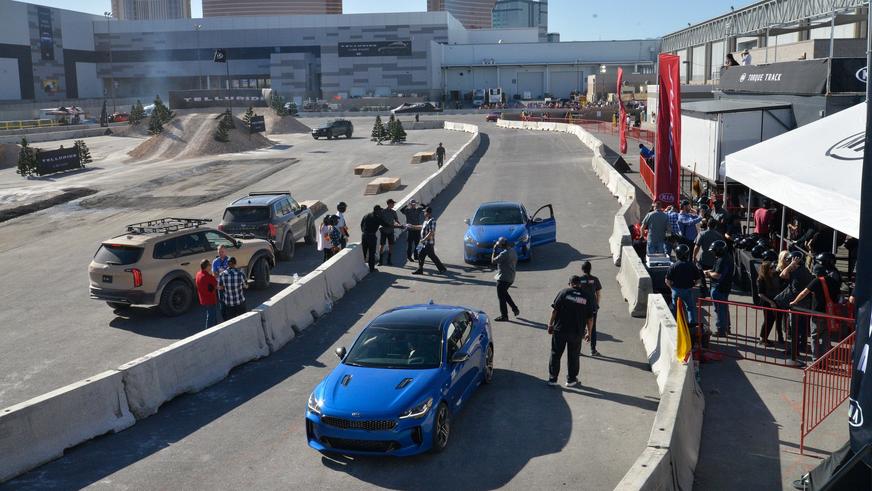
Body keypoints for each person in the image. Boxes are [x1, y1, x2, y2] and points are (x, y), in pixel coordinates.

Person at [547, 275, 595, 387]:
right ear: (580, 284)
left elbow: (554, 311)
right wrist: (589, 332)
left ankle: (553, 379)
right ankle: (571, 380)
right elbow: (590, 318)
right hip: (576, 332)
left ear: (570, 284)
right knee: (573, 355)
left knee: (555, 354)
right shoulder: (586, 296)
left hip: (560, 330)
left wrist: (550, 325)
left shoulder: (563, 293)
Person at [791, 264, 841, 360]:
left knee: (815, 336)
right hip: (829, 313)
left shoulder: (817, 281)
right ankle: (825, 358)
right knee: (826, 336)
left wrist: (794, 302)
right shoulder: (833, 281)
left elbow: (803, 293)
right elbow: (839, 296)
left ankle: (815, 359)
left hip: (817, 313)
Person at [666, 244, 703, 326]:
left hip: (676, 290)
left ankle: (677, 324)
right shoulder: (692, 266)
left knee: (676, 309)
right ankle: (692, 324)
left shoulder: (673, 266)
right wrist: (692, 285)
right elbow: (698, 281)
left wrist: (672, 288)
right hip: (688, 290)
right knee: (690, 308)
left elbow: (667, 281)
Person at [704, 240, 733, 336]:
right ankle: (727, 328)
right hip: (725, 287)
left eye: (714, 251)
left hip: (718, 288)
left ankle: (721, 330)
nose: (713, 252)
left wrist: (708, 273)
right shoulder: (727, 257)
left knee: (719, 309)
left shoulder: (721, 260)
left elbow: (717, 275)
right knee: (724, 308)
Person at [410, 206, 447, 275]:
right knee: (420, 255)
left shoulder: (432, 221)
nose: (423, 213)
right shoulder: (426, 220)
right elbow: (421, 227)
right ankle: (420, 269)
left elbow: (431, 232)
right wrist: (412, 226)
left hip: (428, 243)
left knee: (432, 256)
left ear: (428, 213)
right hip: (423, 242)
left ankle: (442, 269)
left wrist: (423, 240)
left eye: (424, 212)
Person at [360, 205, 397, 272]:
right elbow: (385, 224)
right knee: (372, 253)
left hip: (364, 236)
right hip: (371, 237)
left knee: (364, 252)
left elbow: (361, 224)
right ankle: (372, 268)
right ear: (376, 211)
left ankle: (361, 268)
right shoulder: (377, 218)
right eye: (380, 210)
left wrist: (364, 232)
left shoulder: (366, 215)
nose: (380, 212)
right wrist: (397, 226)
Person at [491, 237, 519, 322]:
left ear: (501, 245)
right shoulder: (512, 251)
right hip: (511, 276)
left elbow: (493, 261)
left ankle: (504, 316)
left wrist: (494, 251)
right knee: (504, 294)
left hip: (503, 278)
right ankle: (514, 308)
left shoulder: (504, 254)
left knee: (501, 297)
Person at [578, 261, 603, 356]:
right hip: (592, 307)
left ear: (582, 269)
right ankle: (593, 350)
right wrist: (597, 305)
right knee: (592, 328)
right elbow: (598, 294)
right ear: (590, 269)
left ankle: (578, 349)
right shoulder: (595, 279)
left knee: (580, 327)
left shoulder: (579, 280)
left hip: (581, 307)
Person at [756, 260, 783, 346]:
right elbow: (760, 294)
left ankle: (765, 338)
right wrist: (770, 302)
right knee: (768, 320)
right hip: (767, 302)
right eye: (771, 267)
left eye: (774, 267)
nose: (774, 269)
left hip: (776, 300)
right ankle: (762, 338)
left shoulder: (776, 275)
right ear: (766, 269)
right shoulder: (761, 279)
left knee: (772, 320)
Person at [195, 259, 219, 328]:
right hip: (210, 299)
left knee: (211, 315)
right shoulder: (207, 277)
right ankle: (209, 331)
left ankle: (215, 328)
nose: (211, 266)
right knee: (211, 316)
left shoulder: (198, 274)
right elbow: (215, 284)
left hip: (203, 299)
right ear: (206, 267)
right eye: (209, 265)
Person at [378, 199, 402, 266]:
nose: (393, 205)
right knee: (382, 245)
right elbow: (379, 220)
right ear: (389, 204)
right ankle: (380, 261)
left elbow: (396, 220)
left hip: (391, 231)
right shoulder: (382, 212)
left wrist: (400, 225)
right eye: (392, 203)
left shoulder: (393, 212)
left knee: (391, 246)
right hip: (383, 231)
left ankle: (389, 260)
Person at [212, 245, 230, 320]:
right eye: (219, 252)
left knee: (230, 301)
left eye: (222, 252)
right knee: (222, 303)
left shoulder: (229, 260)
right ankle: (225, 319)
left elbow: (232, 271)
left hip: (229, 284)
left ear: (225, 252)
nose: (221, 253)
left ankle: (231, 317)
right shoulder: (215, 261)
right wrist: (219, 283)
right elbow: (214, 273)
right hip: (220, 284)